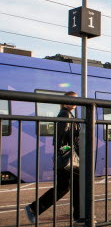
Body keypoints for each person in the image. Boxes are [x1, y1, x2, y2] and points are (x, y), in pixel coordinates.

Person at [25, 91, 82, 224]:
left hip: (66, 157)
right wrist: (67, 149)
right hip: (68, 158)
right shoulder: (65, 114)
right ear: (65, 101)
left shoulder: (67, 114)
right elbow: (61, 140)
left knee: (64, 187)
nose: (74, 102)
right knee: (77, 184)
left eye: (76, 100)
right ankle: (79, 217)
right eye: (71, 99)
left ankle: (34, 208)